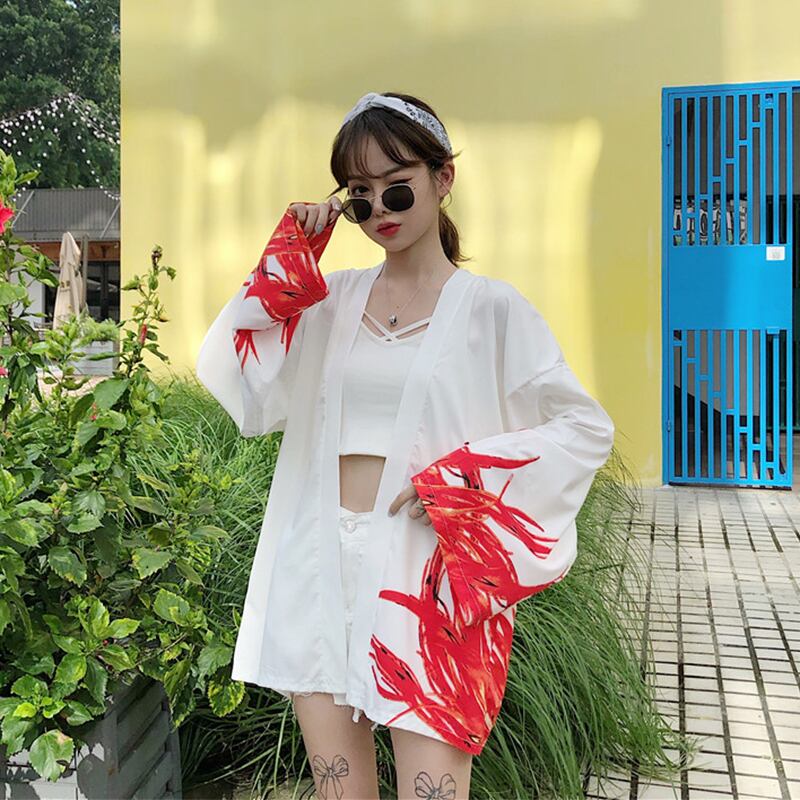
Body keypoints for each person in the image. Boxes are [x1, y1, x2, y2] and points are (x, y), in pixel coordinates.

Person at [195, 91, 615, 799]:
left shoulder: (493, 311)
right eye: (358, 196)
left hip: (430, 576)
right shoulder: (329, 300)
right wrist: (292, 256)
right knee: (339, 790)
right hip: (318, 564)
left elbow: (582, 428)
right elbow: (241, 377)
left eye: (396, 186)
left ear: (442, 178)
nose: (379, 210)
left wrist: (467, 484)